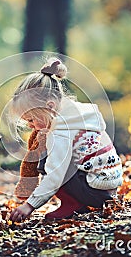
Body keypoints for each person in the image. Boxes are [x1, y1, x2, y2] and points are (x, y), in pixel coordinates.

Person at [9, 57, 123, 221]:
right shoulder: (77, 114)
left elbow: (55, 175)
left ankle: (73, 204)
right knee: (56, 158)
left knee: (48, 161)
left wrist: (29, 205)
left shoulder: (61, 132)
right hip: (106, 188)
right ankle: (76, 202)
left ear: (49, 107)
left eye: (31, 120)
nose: (30, 126)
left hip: (96, 192)